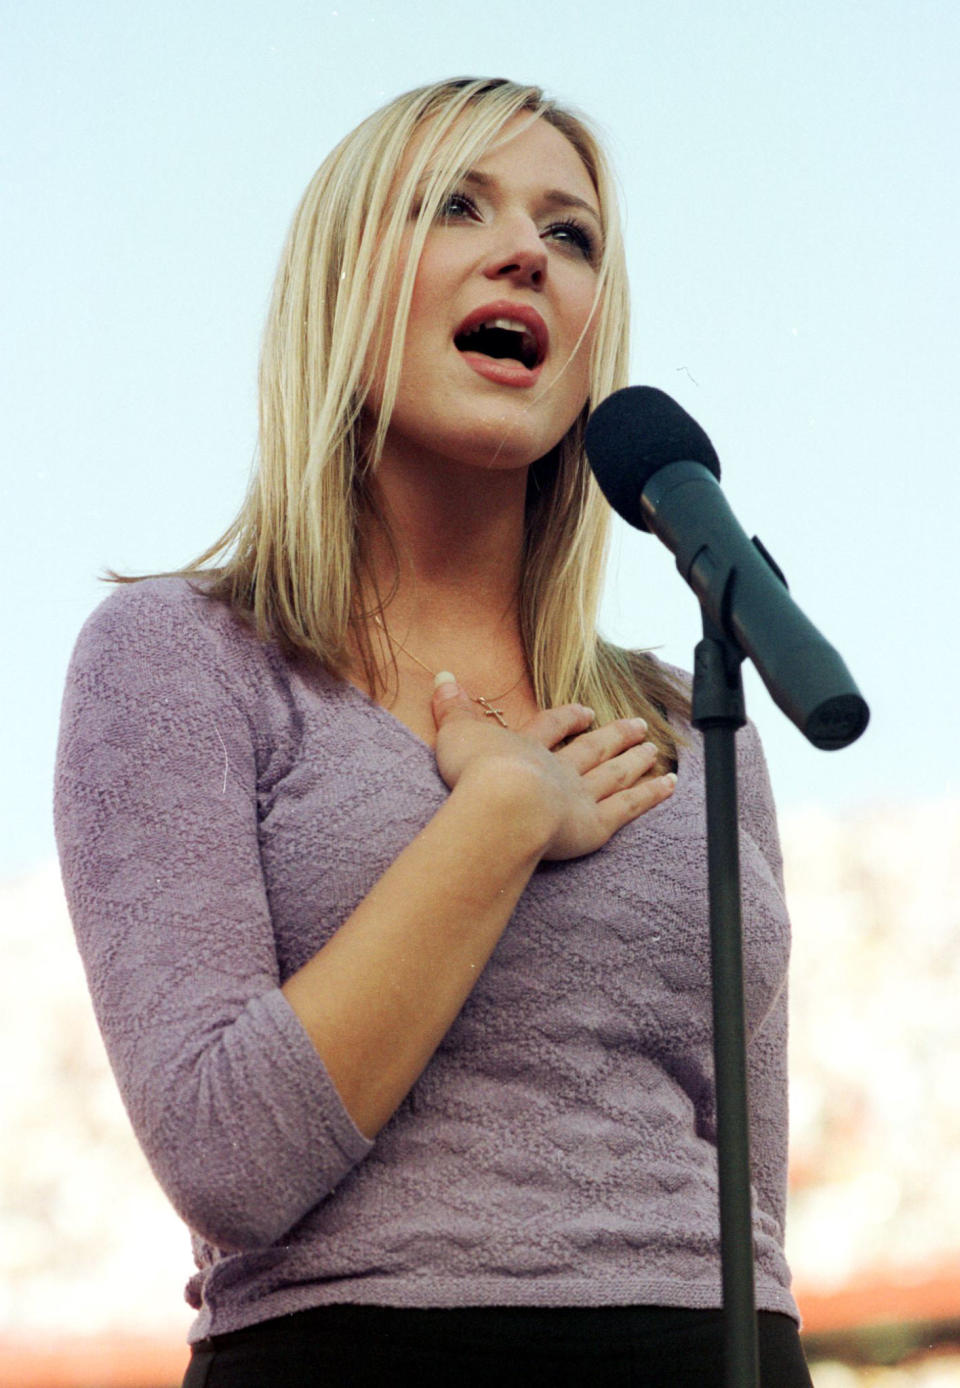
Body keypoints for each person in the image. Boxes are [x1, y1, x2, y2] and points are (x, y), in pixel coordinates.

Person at [54, 77, 812, 1387]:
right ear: (343, 289)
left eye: (571, 235)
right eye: (455, 204)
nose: (526, 248)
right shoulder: (177, 657)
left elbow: (749, 1204)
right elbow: (228, 1160)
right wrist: (500, 820)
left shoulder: (693, 719)